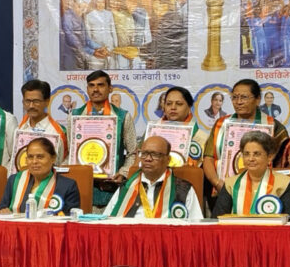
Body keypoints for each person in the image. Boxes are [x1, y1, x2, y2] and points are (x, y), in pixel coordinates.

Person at [203, 79, 289, 199]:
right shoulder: (221, 124)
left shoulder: (274, 127)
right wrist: (217, 183)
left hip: (264, 194)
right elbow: (208, 158)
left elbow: (283, 165)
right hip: (223, 190)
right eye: (235, 97)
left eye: (244, 97)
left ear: (258, 99)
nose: (238, 102)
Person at [68, 70, 137, 208]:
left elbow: (133, 152)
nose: (95, 89)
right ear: (87, 89)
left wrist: (123, 173)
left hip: (112, 188)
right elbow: (71, 152)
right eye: (91, 85)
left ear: (110, 88)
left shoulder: (123, 116)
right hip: (82, 187)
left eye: (100, 85)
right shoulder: (74, 116)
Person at [104, 136, 202, 219]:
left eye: (155, 155)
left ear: (168, 159)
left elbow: (196, 225)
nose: (148, 159)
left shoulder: (183, 189)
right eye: (144, 153)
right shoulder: (126, 187)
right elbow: (107, 220)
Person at [212, 131, 290, 219]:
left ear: (269, 157)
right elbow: (217, 219)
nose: (251, 159)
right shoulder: (230, 184)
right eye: (246, 154)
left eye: (256, 154)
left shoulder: (284, 184)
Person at [0, 138, 79, 215]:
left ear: (53, 158)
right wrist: (2, 211)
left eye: (40, 157)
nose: (34, 161)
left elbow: (71, 217)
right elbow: (2, 208)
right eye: (30, 157)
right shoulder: (14, 180)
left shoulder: (68, 186)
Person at [16, 79, 68, 167]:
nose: (31, 106)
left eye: (36, 101)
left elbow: (61, 165)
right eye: (27, 101)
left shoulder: (58, 132)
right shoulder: (19, 129)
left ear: (47, 102)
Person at [159, 86, 208, 167]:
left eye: (179, 104)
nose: (173, 107)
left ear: (189, 107)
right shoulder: (152, 131)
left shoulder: (202, 138)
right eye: (169, 104)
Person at [84, 0, 118, 69]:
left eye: (102, 2)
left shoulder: (109, 14)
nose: (101, 4)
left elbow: (113, 30)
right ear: (95, 2)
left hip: (110, 47)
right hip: (97, 48)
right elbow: (88, 35)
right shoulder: (89, 16)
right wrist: (93, 49)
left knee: (111, 69)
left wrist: (115, 45)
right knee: (97, 70)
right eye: (98, 2)